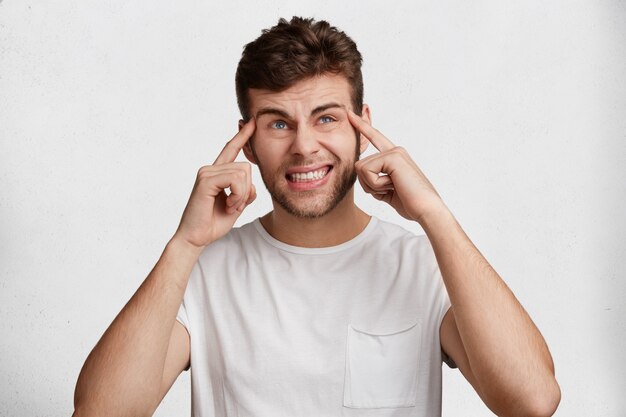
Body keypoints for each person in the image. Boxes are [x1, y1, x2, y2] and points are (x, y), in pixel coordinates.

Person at [72, 16, 561, 417]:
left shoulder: (426, 264)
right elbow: (99, 413)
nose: (304, 146)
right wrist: (184, 245)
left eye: (326, 117)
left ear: (363, 126)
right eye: (279, 123)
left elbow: (532, 402)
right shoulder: (202, 271)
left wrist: (434, 213)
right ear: (247, 140)